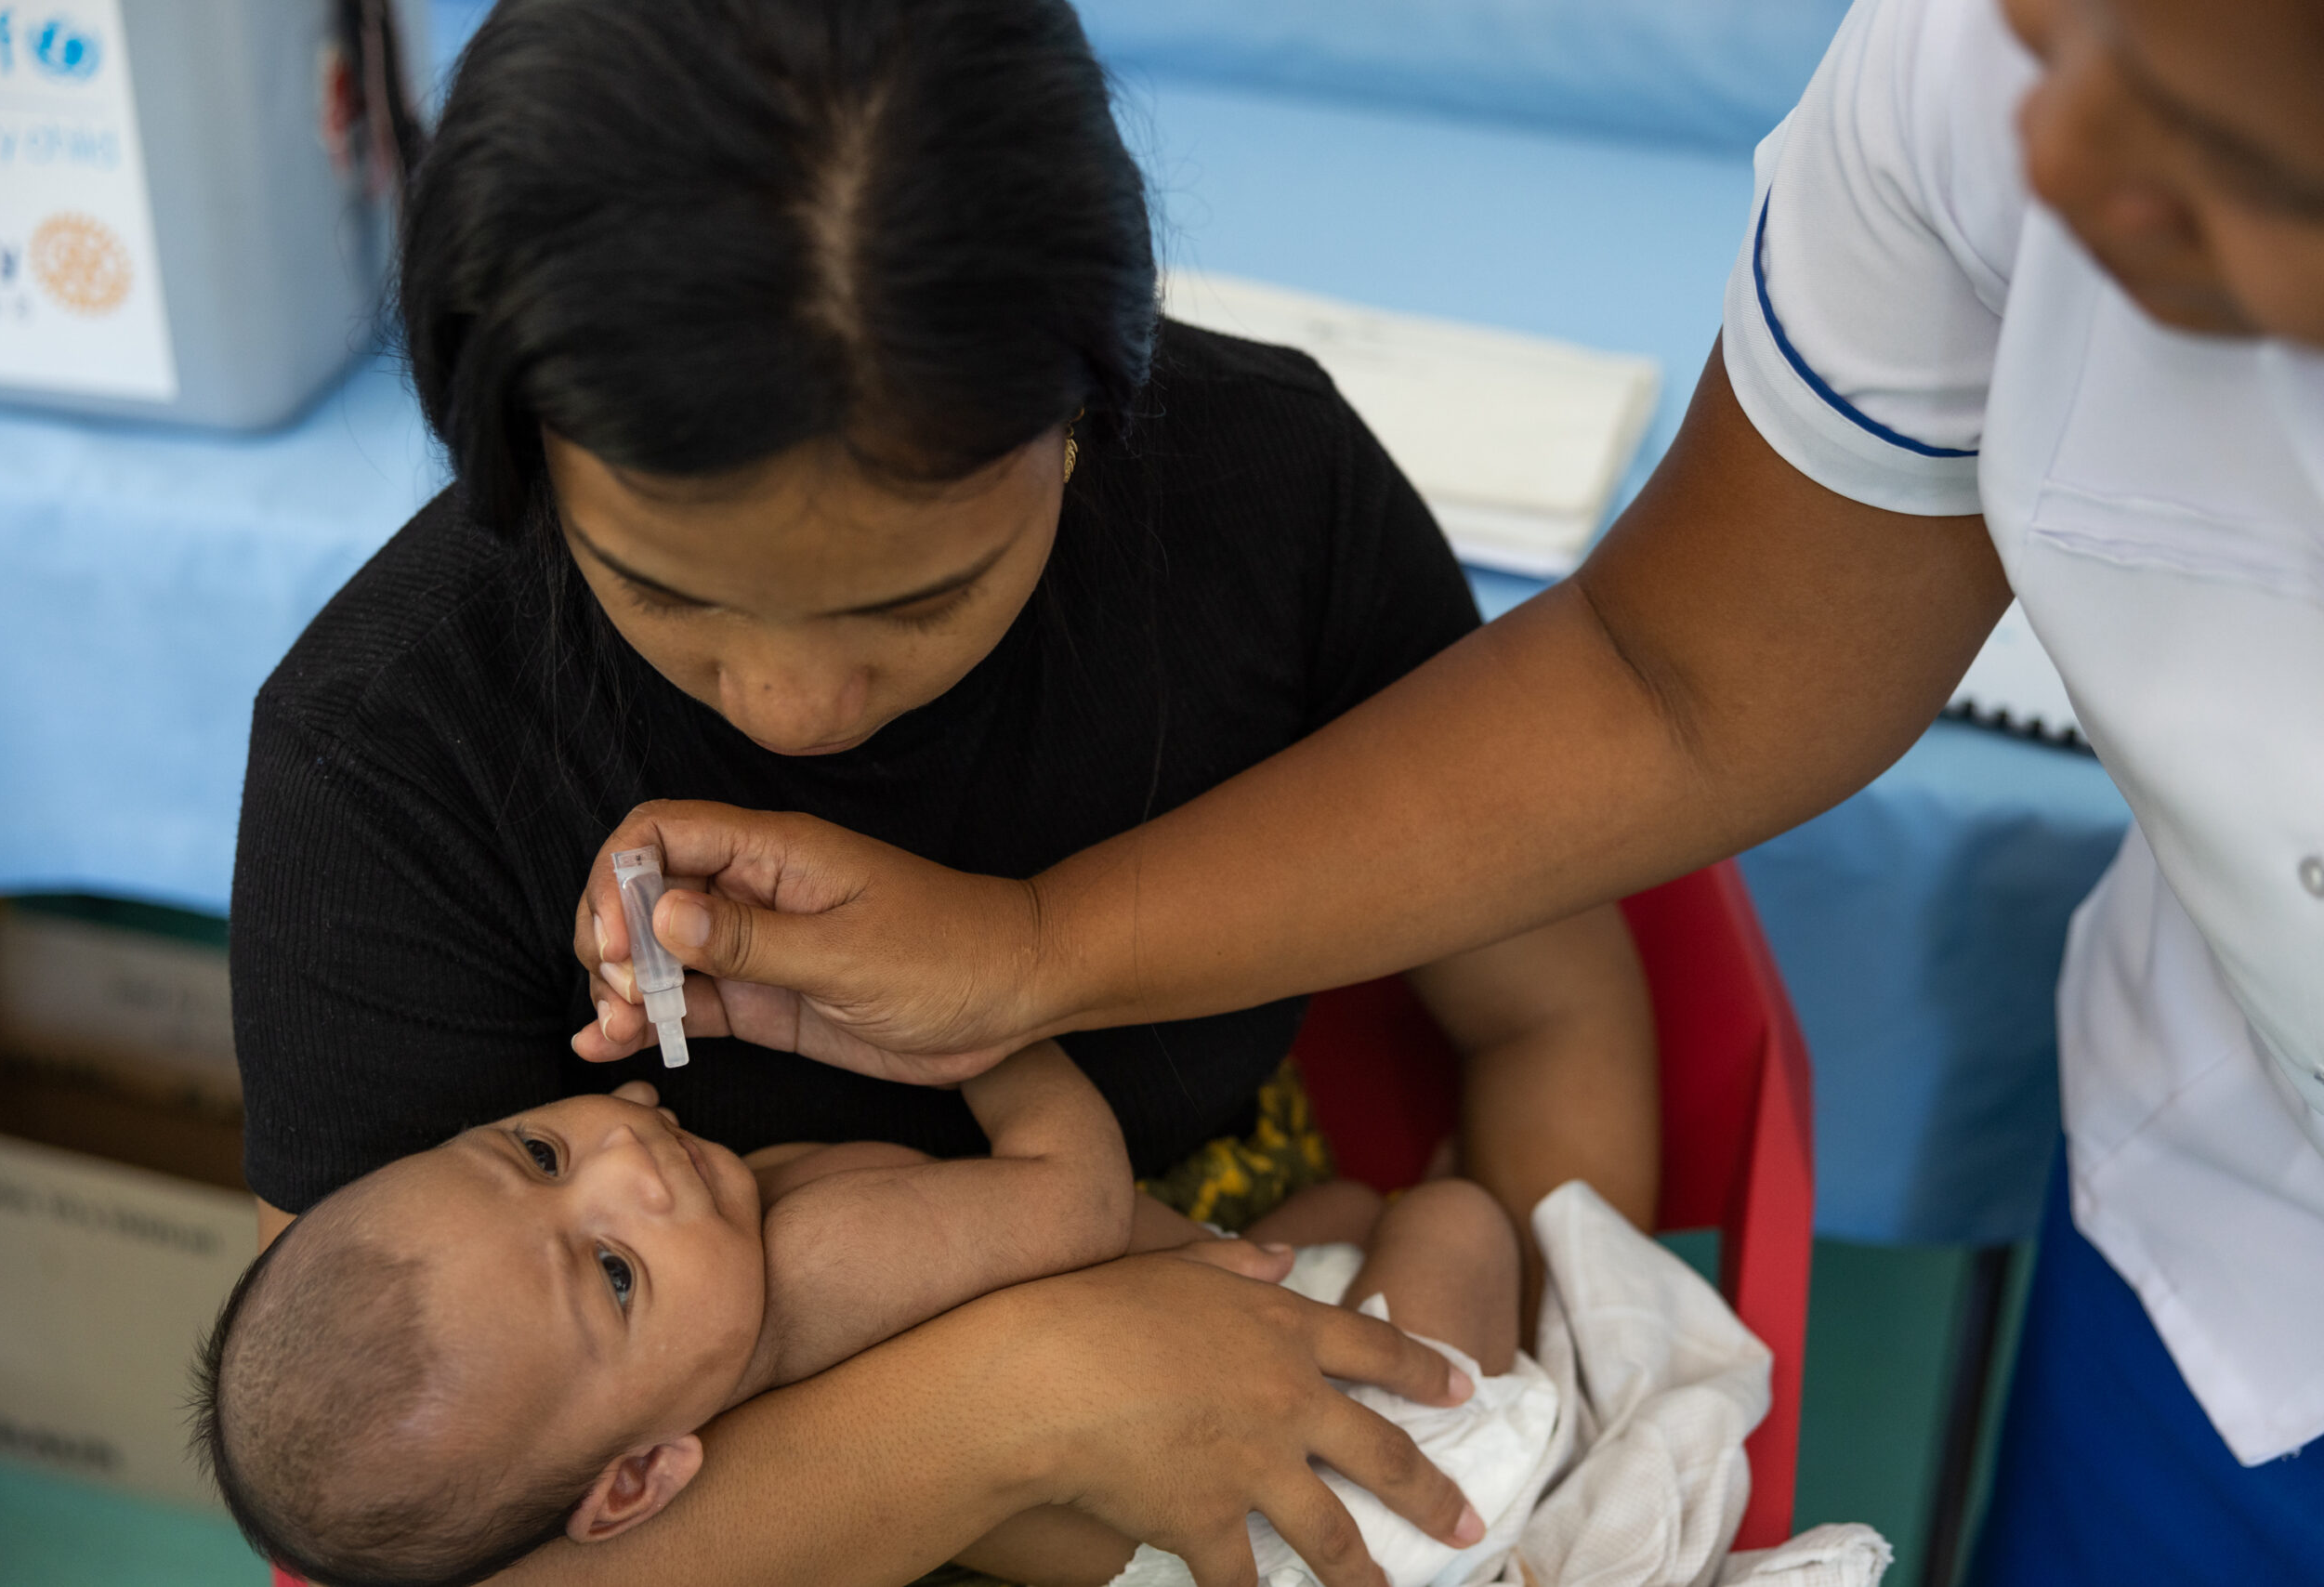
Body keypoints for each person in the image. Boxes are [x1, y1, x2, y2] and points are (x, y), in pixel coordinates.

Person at [572, 0, 2324, 1579]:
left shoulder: (1266, 508)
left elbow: (1454, 1111)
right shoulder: (1983, 93)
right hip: (2238, 1230)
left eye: (2237, 154)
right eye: (2056, 31)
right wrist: (1024, 971)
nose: (2058, 159)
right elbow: (1679, 682)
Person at [231, 0, 1658, 1582]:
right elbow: (407, 1512)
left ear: (1088, 418)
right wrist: (1028, 1401)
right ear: (507, 451)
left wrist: (1568, 1471)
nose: (793, 712)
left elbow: (1548, 1011)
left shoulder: (1266, 500)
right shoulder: (388, 754)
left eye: (918, 600)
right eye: (661, 589)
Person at [196, 1055, 1541, 1587]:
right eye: (612, 1272)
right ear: (641, 1479)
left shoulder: (665, 1408)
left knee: (1347, 1205)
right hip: (1317, 1507)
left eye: (536, 1155)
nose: (629, 1166)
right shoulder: (824, 1257)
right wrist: (988, 1034)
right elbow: (1072, 1204)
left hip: (1180, 1473)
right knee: (1458, 1223)